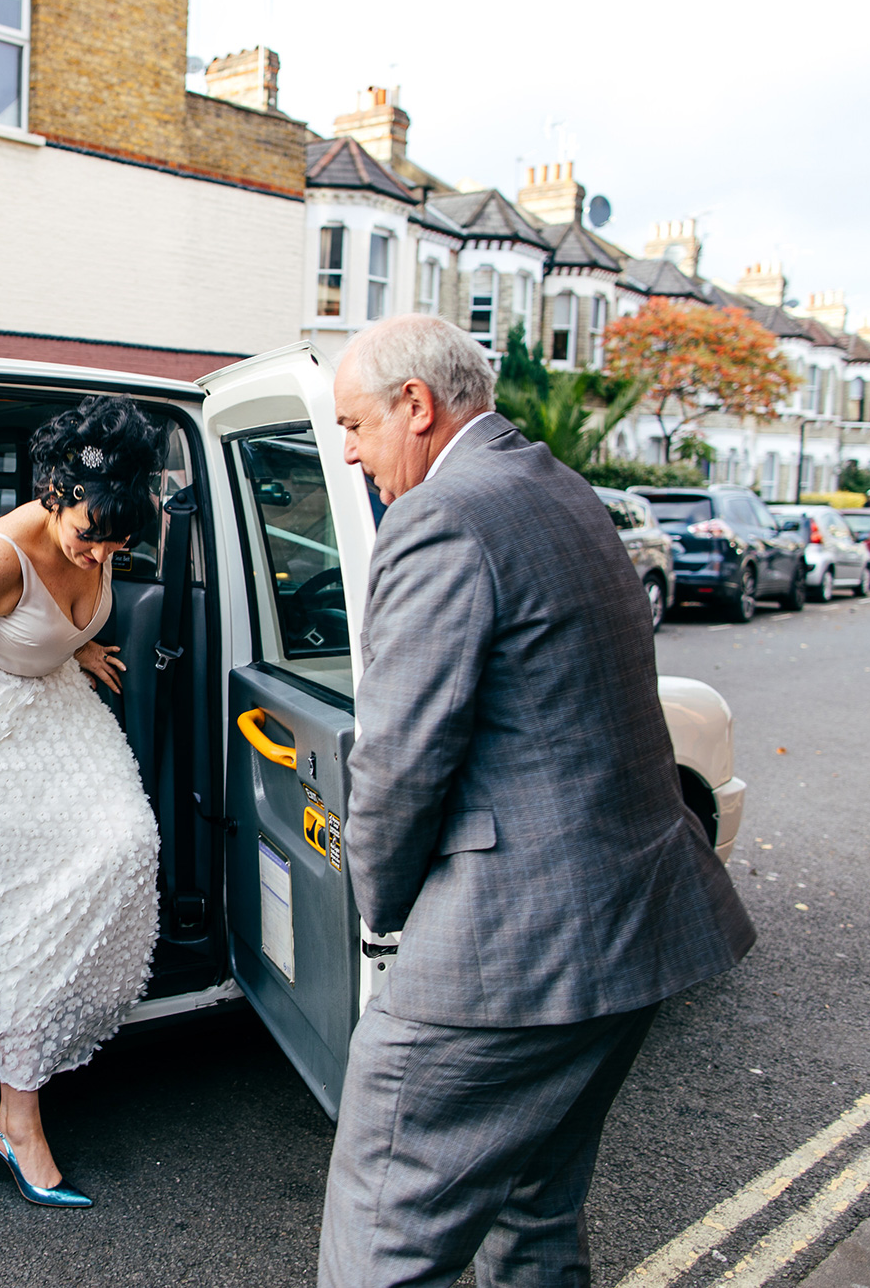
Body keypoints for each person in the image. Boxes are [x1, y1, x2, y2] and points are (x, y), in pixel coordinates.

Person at [319, 315, 756, 1287]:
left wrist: (380, 913)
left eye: (354, 424)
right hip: (631, 926)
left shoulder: (435, 517)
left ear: (416, 407)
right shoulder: (559, 488)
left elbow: (397, 764)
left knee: (380, 1239)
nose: (345, 449)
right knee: (533, 1215)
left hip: (510, 947)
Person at [0, 396, 162, 1209]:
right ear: (51, 491)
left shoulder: (100, 523)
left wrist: (80, 648)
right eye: (91, 536)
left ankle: (35, 1046)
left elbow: (60, 612)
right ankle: (18, 1117)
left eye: (117, 543)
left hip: (55, 706)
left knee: (128, 844)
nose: (100, 555)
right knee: (39, 892)